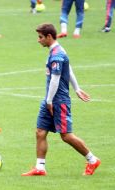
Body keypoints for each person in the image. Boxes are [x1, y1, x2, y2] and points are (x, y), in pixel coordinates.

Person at [21, 23, 100, 176]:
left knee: (66, 135)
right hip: (49, 99)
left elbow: (55, 79)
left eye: (40, 37)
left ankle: (92, 160)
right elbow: (68, 69)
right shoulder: (58, 50)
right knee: (40, 132)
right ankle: (40, 168)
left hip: (58, 101)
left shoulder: (57, 55)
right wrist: (76, 88)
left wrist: (50, 101)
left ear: (49, 37)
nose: (38, 40)